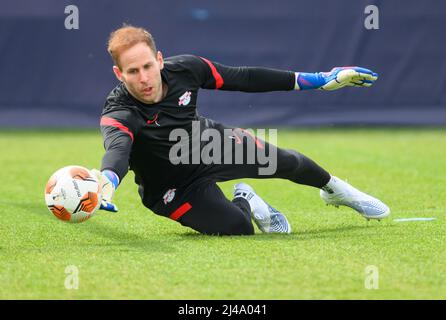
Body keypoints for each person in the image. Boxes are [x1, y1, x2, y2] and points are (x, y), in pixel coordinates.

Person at [92, 25, 390, 236]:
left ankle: (337, 191)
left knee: (288, 162)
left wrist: (319, 79)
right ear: (120, 73)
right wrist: (107, 180)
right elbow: (117, 151)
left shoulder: (186, 69)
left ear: (159, 60)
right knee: (239, 227)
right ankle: (247, 199)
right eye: (133, 71)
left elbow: (244, 78)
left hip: (208, 145)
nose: (144, 78)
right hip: (171, 189)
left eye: (147, 66)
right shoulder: (119, 111)